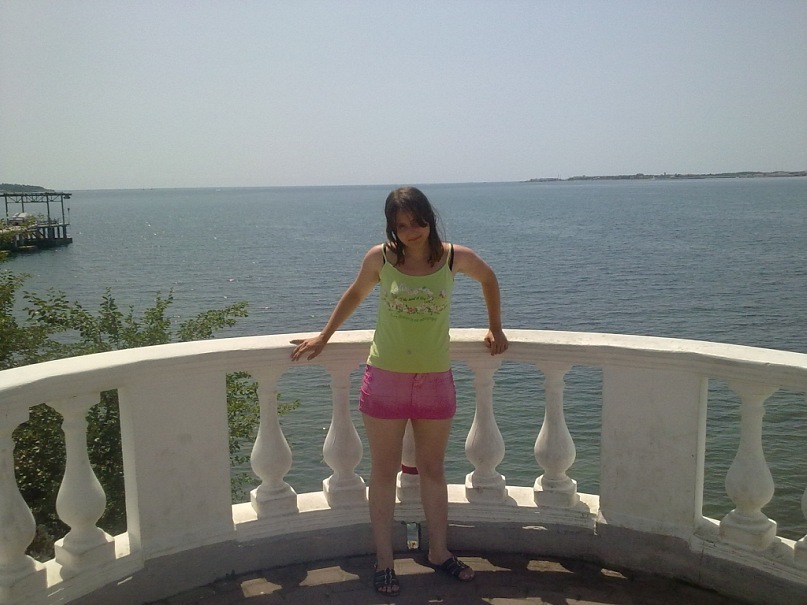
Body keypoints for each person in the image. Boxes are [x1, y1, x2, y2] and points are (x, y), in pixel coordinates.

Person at [290, 186, 508, 596]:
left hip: (435, 381)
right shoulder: (381, 258)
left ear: (429, 219)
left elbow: (489, 278)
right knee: (383, 472)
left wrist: (495, 327)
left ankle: (439, 552)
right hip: (385, 380)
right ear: (392, 226)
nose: (411, 231)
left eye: (417, 221)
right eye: (402, 224)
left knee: (433, 471)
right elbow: (355, 294)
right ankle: (385, 560)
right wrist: (324, 335)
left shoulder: (454, 258)